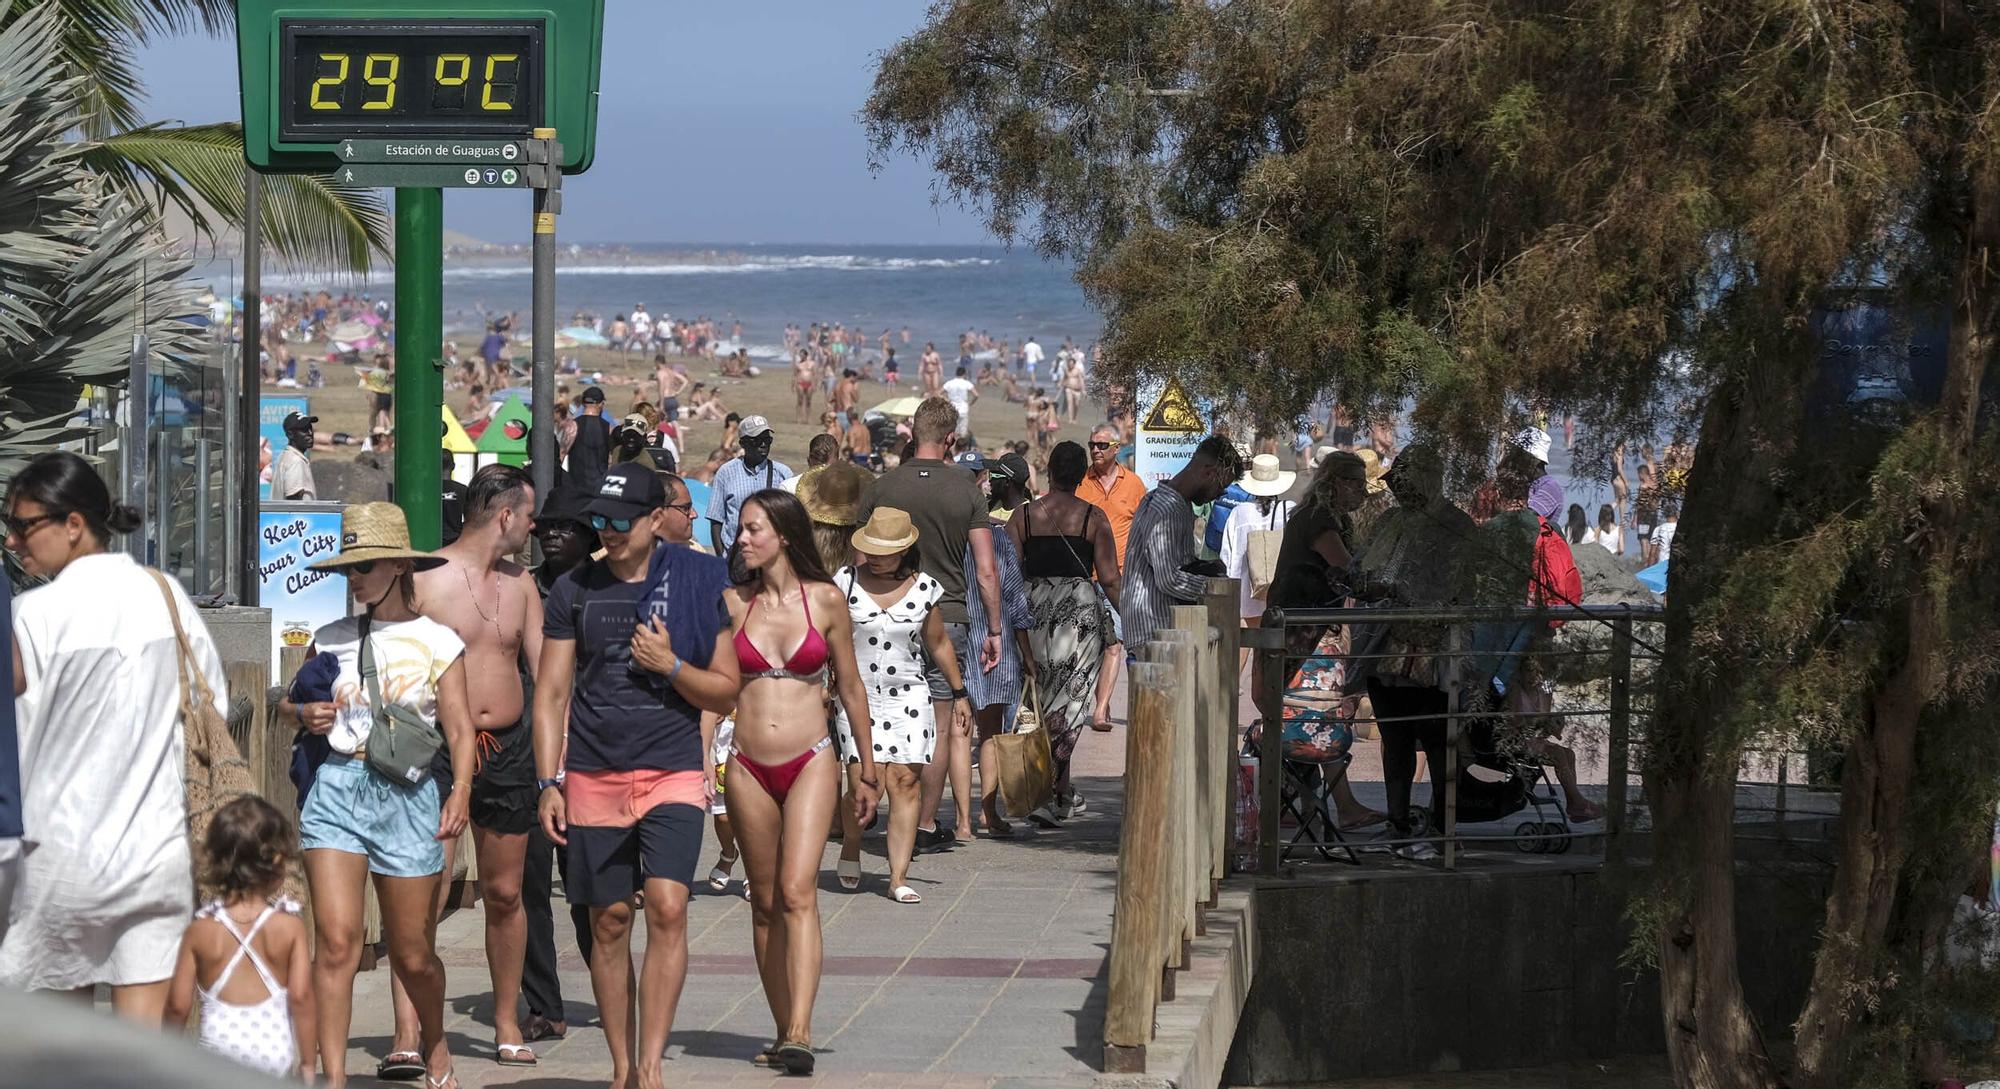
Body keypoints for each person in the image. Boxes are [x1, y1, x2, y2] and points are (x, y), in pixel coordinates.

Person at [534, 464, 738, 1089]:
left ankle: (650, 1065)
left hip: (672, 766)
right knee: (609, 919)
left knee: (670, 907)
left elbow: (726, 692)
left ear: (656, 521)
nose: (608, 530)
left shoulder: (702, 584)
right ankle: (621, 1066)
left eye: (621, 520)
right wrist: (549, 781)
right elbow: (550, 693)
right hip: (594, 772)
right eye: (599, 519)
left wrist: (672, 664)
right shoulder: (574, 588)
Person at [1, 452, 224, 1022]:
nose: (12, 541)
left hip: (57, 855)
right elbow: (211, 710)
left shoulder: (32, 614)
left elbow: (15, 737)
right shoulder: (166, 596)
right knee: (141, 1050)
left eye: (23, 525)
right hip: (157, 851)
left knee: (64, 1053)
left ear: (73, 524)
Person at [280, 502, 473, 1087]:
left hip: (409, 795)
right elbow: (292, 703)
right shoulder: (330, 638)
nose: (353, 578)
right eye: (347, 569)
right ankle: (333, 1077)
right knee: (336, 943)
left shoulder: (438, 640)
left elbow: (460, 728)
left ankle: (434, 1044)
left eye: (364, 566)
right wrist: (302, 712)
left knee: (414, 952)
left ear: (396, 565)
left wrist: (460, 790)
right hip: (338, 787)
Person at [723, 490, 880, 1074]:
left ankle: (801, 1030)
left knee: (796, 891)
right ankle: (782, 1026)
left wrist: (867, 766)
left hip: (813, 757)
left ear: (784, 535)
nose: (742, 538)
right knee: (762, 902)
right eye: (741, 529)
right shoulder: (733, 604)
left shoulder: (827, 601)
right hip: (746, 765)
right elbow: (715, 692)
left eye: (753, 529)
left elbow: (851, 686)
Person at [411, 465, 549, 1067]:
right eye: (529, 514)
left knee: (504, 891)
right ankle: (410, 1031)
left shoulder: (522, 585)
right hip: (440, 746)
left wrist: (555, 768)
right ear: (505, 517)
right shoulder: (426, 578)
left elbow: (545, 680)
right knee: (425, 891)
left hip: (511, 745)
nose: (534, 524)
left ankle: (504, 1019)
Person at [860, 398, 1002, 850]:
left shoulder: (883, 486)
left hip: (885, 615)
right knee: (939, 724)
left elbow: (860, 556)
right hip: (951, 616)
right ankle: (921, 822)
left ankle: (871, 809)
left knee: (879, 712)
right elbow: (985, 570)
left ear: (912, 434)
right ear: (950, 441)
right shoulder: (967, 490)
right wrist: (995, 629)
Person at [833, 508, 971, 899]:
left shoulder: (924, 588)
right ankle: (852, 844)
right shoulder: (845, 582)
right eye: (871, 548)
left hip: (909, 693)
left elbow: (939, 642)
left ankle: (898, 877)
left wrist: (960, 693)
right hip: (855, 694)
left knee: (906, 782)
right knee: (863, 783)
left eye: (885, 550)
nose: (876, 557)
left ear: (905, 549)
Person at [1345, 445, 1475, 859]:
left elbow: (1459, 590)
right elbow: (1362, 568)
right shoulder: (1388, 520)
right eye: (1394, 484)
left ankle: (1442, 829)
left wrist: (1402, 592)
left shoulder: (1457, 526)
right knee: (1395, 741)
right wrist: (1359, 582)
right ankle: (1398, 824)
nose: (1397, 491)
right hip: (1386, 653)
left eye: (1403, 483)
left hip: (1436, 654)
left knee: (1439, 744)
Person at [1265, 451, 1389, 831]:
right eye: (1353, 483)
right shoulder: (1321, 518)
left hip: (1298, 625)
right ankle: (1343, 806)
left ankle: (1300, 802)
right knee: (1318, 714)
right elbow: (1345, 567)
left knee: (1302, 714)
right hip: (1308, 632)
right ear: (1334, 482)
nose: (1360, 493)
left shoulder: (1318, 515)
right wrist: (1380, 586)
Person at [1009, 441, 1122, 825]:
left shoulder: (1022, 517)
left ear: (1051, 472)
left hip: (1033, 611)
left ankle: (1039, 788)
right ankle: (1055, 787)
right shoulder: (1094, 517)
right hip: (1079, 617)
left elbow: (1008, 573)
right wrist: (1135, 621)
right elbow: (1109, 578)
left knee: (1034, 700)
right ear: (1080, 476)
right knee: (1069, 705)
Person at [165, 797, 314, 1081]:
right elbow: (302, 997)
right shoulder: (288, 927)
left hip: (218, 1056)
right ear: (277, 863)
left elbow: (177, 1005)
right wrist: (307, 1063)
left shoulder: (201, 931)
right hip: (272, 1053)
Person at [1120, 436, 1245, 654]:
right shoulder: (1167, 509)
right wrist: (1217, 588)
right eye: (1221, 486)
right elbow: (1169, 579)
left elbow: (1175, 566)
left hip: (1161, 634)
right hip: (1156, 636)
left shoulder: (1172, 503)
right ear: (1208, 472)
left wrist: (1204, 567)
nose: (1220, 494)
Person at [708, 415, 795, 555]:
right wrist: (721, 558)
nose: (763, 444)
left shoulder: (783, 474)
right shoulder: (726, 472)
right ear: (743, 443)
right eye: (757, 440)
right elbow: (716, 520)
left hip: (771, 556)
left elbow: (792, 521)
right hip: (734, 555)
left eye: (767, 440)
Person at [570, 386, 613, 498]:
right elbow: (611, 460)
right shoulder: (608, 428)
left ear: (583, 403)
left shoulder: (572, 427)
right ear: (601, 404)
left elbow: (561, 455)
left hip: (575, 487)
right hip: (599, 489)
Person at [271, 412, 317, 501]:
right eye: (304, 430)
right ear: (290, 434)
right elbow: (293, 503)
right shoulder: (295, 461)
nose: (310, 433)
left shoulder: (286, 456)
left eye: (310, 428)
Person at [439, 450, 468, 546]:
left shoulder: (427, 490)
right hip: (455, 541)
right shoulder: (463, 490)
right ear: (453, 466)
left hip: (432, 540)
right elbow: (471, 519)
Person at [943, 366, 979, 440]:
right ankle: (961, 447)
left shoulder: (950, 383)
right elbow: (976, 395)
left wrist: (947, 400)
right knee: (962, 432)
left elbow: (939, 393)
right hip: (963, 408)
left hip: (952, 408)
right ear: (964, 374)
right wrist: (971, 403)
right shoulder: (966, 383)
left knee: (952, 431)